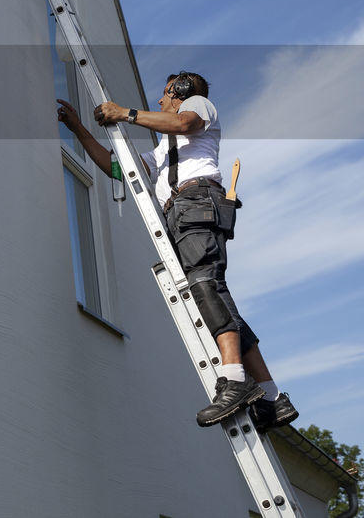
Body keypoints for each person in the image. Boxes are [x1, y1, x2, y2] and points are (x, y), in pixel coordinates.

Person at [56, 71, 298, 431]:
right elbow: (118, 169)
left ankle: (234, 380)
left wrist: (125, 113)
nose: (159, 101)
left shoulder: (198, 107)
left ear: (180, 91)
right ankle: (271, 397)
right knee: (212, 292)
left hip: (197, 201)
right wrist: (78, 130)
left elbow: (183, 122)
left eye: (165, 94)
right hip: (183, 211)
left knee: (206, 286)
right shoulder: (164, 151)